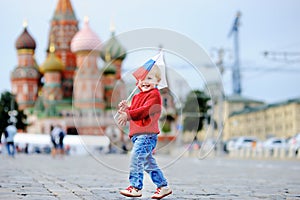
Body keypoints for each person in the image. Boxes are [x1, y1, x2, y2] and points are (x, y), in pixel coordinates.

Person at [118, 65, 172, 199]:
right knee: (148, 163)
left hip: (147, 135)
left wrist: (128, 114)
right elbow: (134, 110)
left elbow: (144, 111)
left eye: (149, 78)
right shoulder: (137, 96)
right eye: (141, 79)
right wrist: (127, 108)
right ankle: (163, 186)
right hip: (137, 135)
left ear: (157, 81)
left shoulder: (154, 95)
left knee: (136, 157)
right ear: (137, 82)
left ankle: (135, 187)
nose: (144, 81)